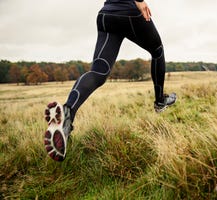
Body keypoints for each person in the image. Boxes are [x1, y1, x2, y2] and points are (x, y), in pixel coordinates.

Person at [44, 0, 177, 162]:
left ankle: (67, 113)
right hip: (129, 11)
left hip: (106, 15)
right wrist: (140, 1)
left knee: (98, 72)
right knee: (157, 51)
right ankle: (160, 101)